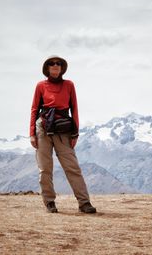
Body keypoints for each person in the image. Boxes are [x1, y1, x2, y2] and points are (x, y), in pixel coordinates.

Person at [29, 55, 96, 214]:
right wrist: (32, 133)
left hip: (64, 129)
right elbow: (34, 109)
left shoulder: (69, 85)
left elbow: (75, 108)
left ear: (61, 68)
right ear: (47, 68)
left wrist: (76, 133)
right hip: (43, 128)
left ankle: (84, 203)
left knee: (72, 167)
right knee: (45, 169)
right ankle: (49, 202)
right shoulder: (40, 86)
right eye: (52, 63)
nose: (55, 65)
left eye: (58, 64)